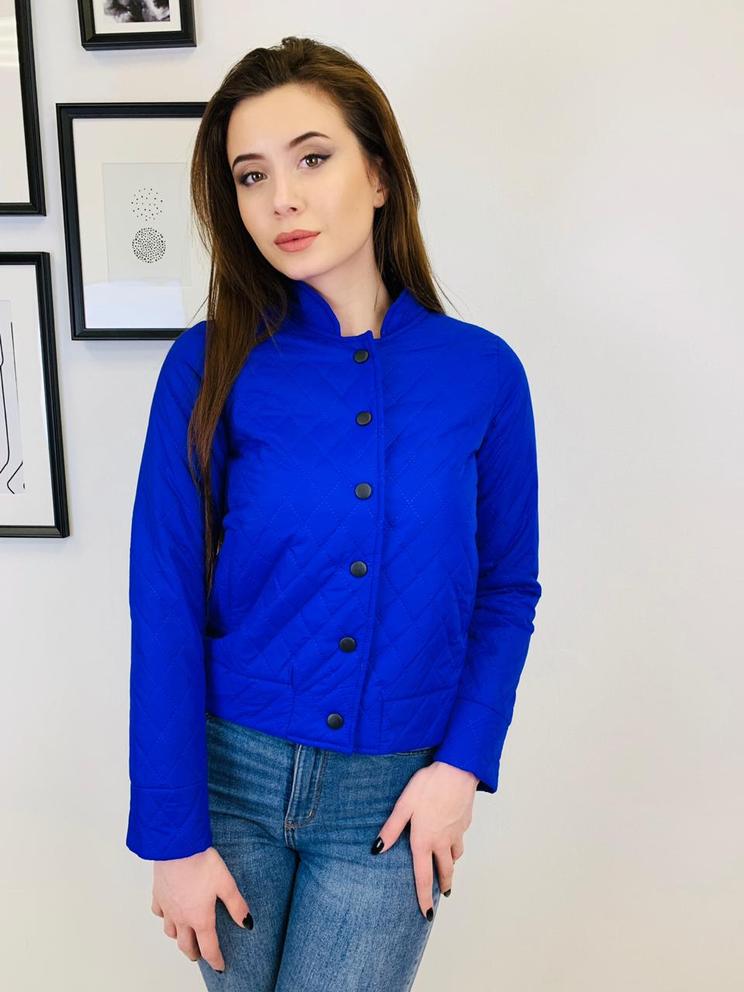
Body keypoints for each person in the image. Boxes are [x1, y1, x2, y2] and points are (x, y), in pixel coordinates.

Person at [125, 35, 542, 991]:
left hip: (391, 800)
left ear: (381, 175)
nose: (282, 199)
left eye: (312, 158)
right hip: (228, 786)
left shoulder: (482, 373)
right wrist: (173, 837)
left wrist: (460, 770)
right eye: (252, 175)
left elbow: (506, 590)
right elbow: (164, 600)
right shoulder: (207, 365)